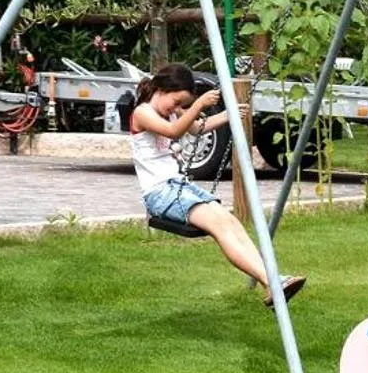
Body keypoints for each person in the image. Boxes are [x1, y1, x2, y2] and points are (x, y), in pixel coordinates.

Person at [127, 63, 306, 306]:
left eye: (182, 105)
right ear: (161, 89)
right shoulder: (142, 113)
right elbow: (173, 132)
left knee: (230, 221)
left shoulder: (172, 111)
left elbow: (197, 128)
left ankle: (273, 280)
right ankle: (272, 282)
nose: (177, 108)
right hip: (161, 194)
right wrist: (199, 104)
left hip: (180, 188)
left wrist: (229, 114)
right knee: (219, 226)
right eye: (177, 102)